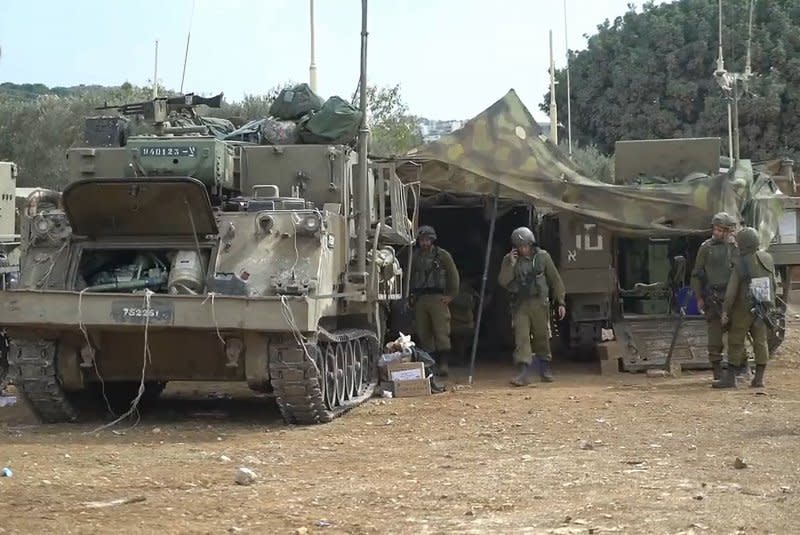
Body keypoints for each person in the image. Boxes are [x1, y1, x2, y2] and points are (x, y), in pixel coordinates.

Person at [498, 226, 566, 386]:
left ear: (531, 244)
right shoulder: (509, 260)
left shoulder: (543, 257)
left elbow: (555, 280)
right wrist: (512, 264)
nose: (523, 249)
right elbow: (503, 281)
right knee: (521, 337)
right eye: (520, 246)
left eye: (526, 245)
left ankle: (545, 367)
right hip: (520, 304)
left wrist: (561, 301)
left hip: (540, 302)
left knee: (542, 335)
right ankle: (523, 372)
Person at [717, 226, 776, 389]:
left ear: (743, 244)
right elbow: (773, 285)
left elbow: (731, 292)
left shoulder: (740, 263)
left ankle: (730, 379)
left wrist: (725, 311)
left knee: (736, 341)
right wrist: (771, 306)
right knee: (760, 342)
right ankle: (759, 379)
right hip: (763, 307)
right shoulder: (767, 258)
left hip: (743, 308)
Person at [689, 211, 738, 381]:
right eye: (715, 228)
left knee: (737, 335)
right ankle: (717, 369)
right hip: (714, 297)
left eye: (720, 229)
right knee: (715, 336)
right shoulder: (706, 248)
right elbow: (696, 274)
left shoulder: (736, 248)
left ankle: (739, 368)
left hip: (734, 298)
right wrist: (699, 297)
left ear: (728, 231)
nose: (715, 232)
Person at [408, 225, 460, 376]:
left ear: (432, 240)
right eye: (422, 240)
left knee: (441, 331)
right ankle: (430, 364)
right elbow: (410, 277)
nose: (424, 243)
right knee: (423, 332)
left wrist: (451, 295)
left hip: (438, 297)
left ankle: (443, 364)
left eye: (427, 240)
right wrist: (410, 296)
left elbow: (453, 276)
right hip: (420, 298)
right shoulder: (415, 256)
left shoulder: (442, 255)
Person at [449, 277, 479, 363]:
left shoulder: (469, 293)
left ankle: (460, 355)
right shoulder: (452, 292)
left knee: (461, 338)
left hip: (465, 323)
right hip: (453, 323)